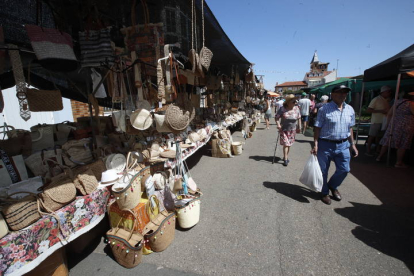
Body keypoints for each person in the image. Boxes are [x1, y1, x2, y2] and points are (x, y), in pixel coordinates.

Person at [311, 85, 358, 205]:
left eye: (345, 93)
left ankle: (333, 185)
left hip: (343, 145)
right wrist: (315, 144)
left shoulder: (350, 109)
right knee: (323, 171)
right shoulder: (324, 109)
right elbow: (317, 128)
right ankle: (324, 192)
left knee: (345, 169)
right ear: (332, 95)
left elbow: (350, 128)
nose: (343, 95)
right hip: (325, 144)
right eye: (339, 92)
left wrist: (353, 144)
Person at [376, 91, 414, 168]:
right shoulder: (410, 103)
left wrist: (388, 124)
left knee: (387, 141)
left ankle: (379, 157)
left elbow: (390, 114)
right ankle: (398, 162)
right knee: (403, 143)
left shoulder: (397, 102)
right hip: (406, 125)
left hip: (393, 124)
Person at [275, 94, 301, 166]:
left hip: (293, 130)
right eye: (293, 101)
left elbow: (299, 118)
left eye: (295, 101)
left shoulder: (296, 108)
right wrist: (278, 125)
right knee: (286, 144)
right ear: (288, 102)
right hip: (284, 129)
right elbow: (276, 117)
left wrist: (299, 127)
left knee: (289, 144)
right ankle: (286, 159)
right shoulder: (282, 109)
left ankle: (285, 157)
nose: (295, 102)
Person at [365, 86, 392, 156]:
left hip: (384, 121)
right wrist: (381, 111)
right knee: (372, 136)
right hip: (376, 121)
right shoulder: (376, 99)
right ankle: (368, 150)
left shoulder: (387, 100)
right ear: (383, 92)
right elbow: (368, 110)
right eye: (388, 92)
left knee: (379, 137)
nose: (390, 93)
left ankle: (377, 149)